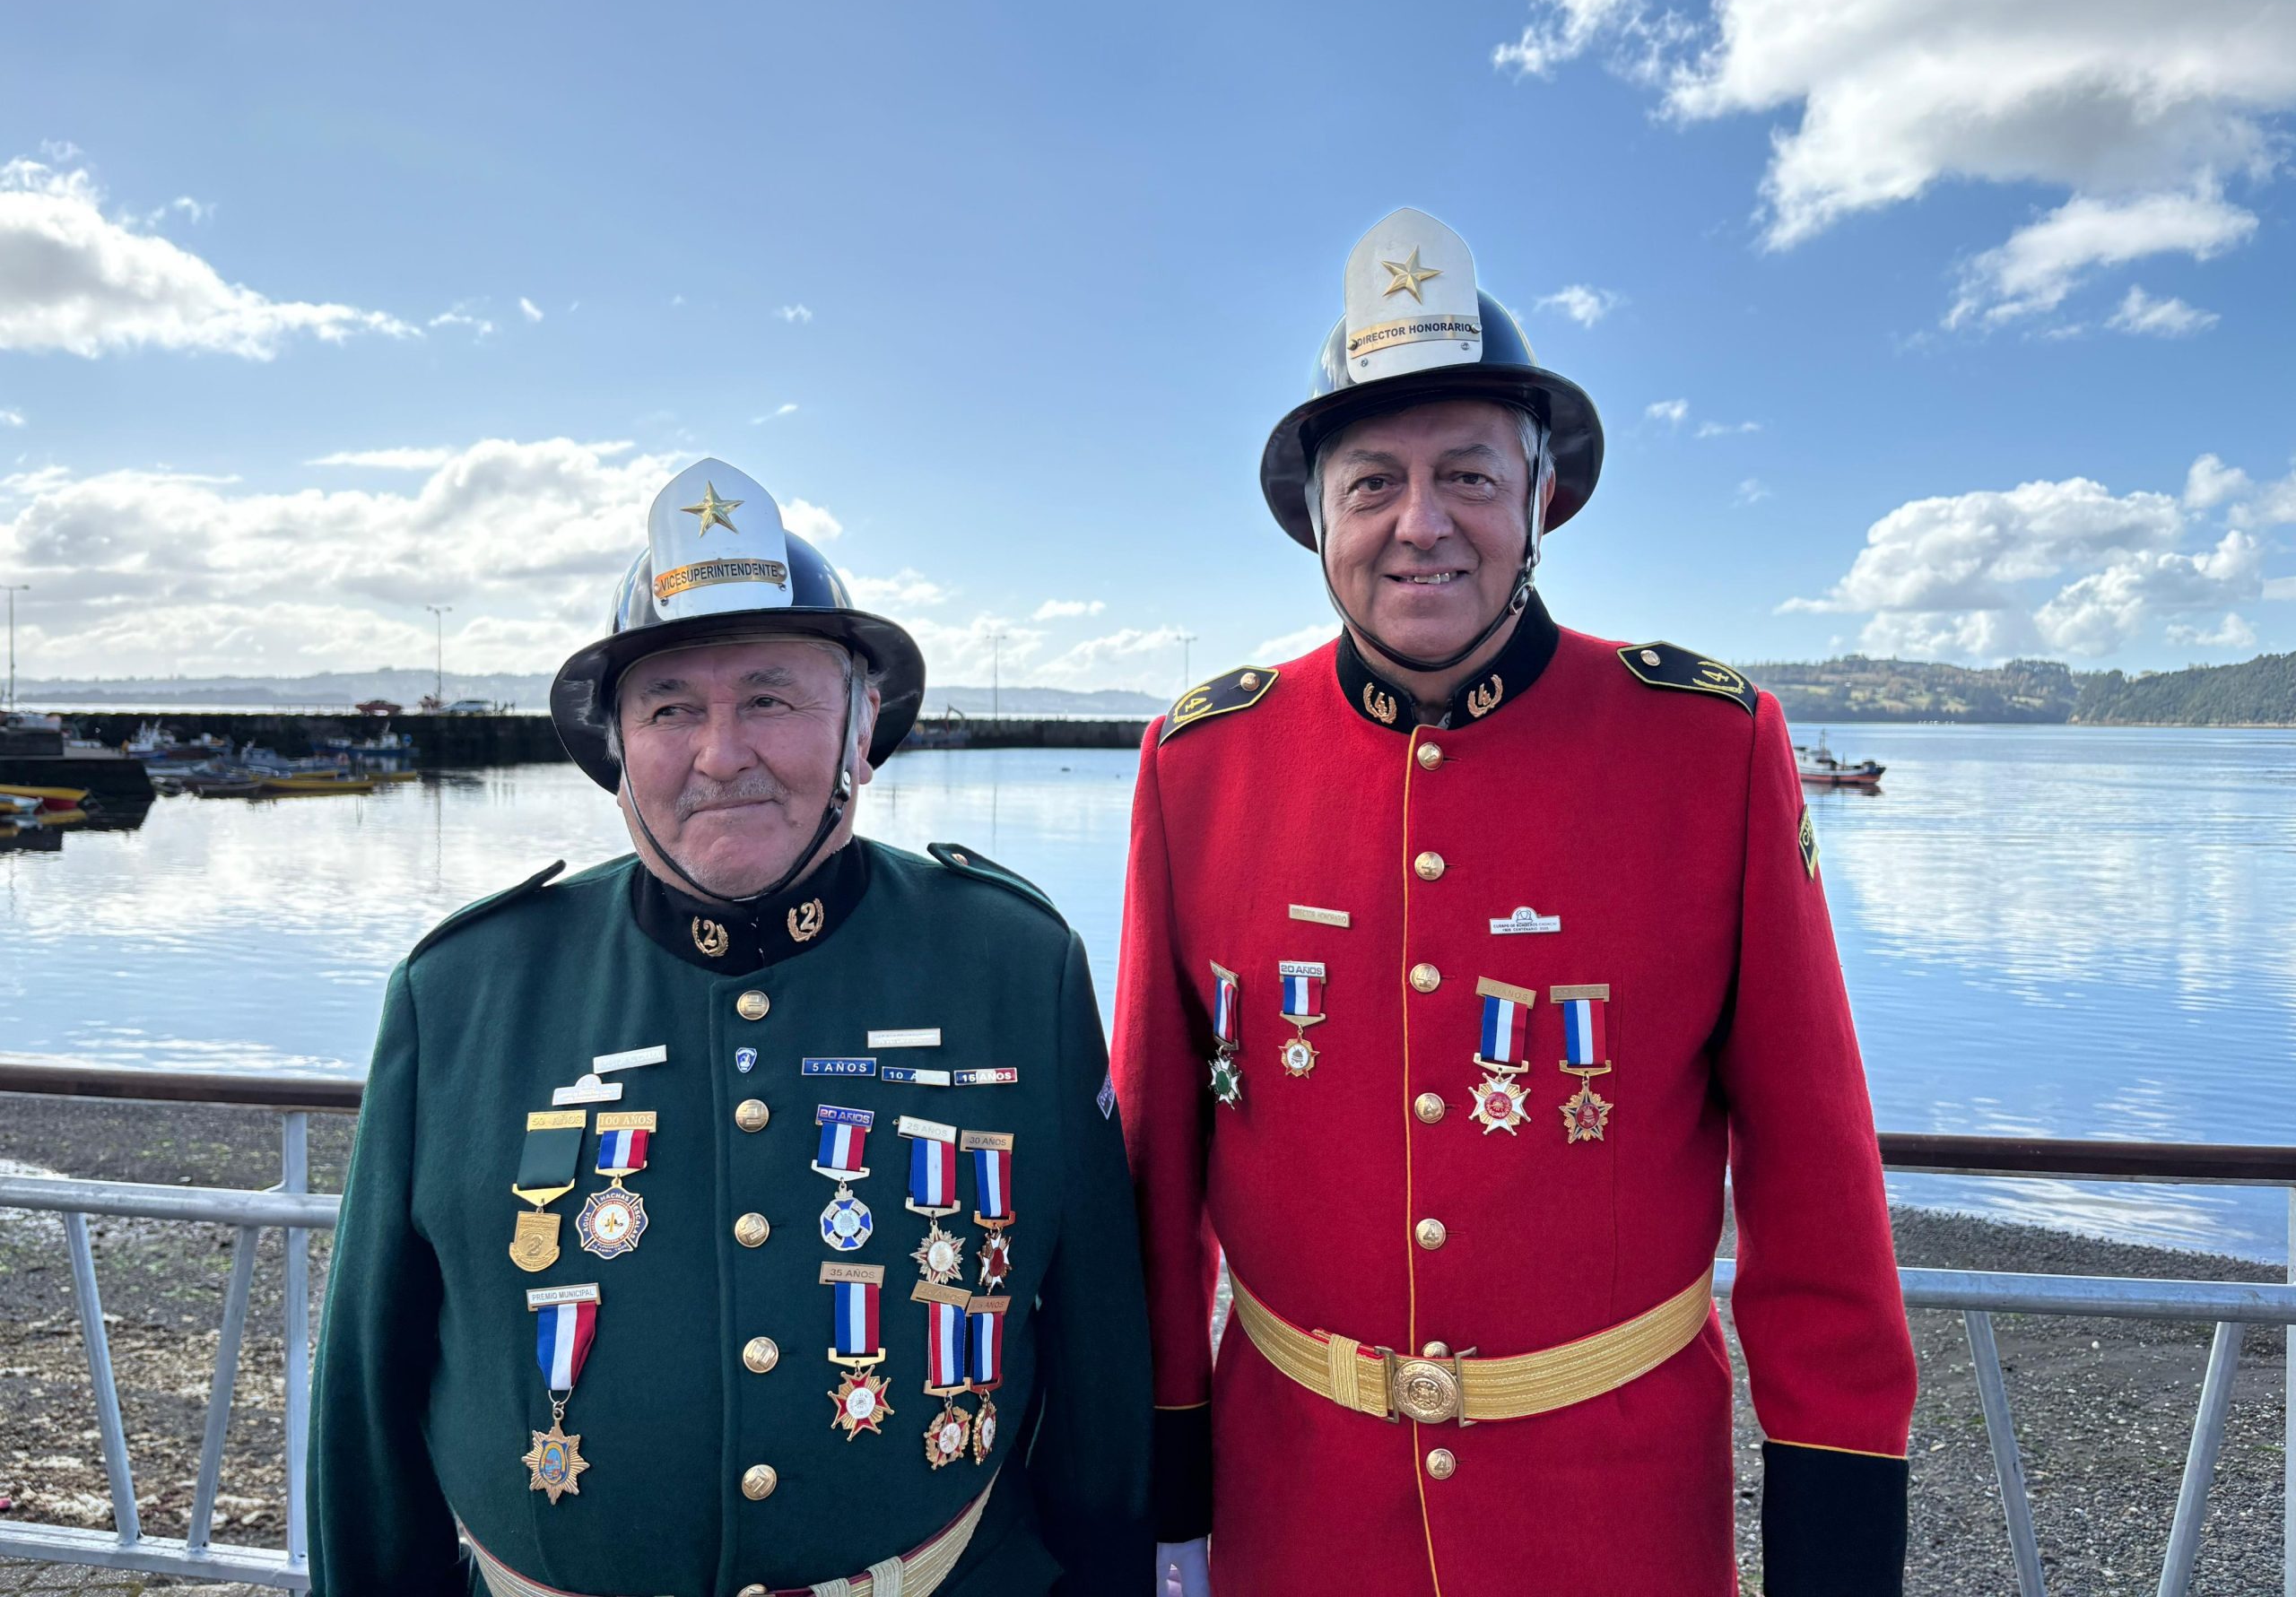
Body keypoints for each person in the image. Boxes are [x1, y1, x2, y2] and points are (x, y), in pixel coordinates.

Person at [1113, 210, 1917, 1596]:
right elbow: (1158, 1174)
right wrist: (1165, 1477)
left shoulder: (1709, 746)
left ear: (1542, 498)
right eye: (1371, 484)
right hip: (1296, 1516)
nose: (1419, 525)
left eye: (1469, 476)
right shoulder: (1202, 763)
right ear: (1317, 519)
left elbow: (1814, 1179)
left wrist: (1836, 1547)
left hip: (1612, 1523)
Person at [311, 457, 1152, 1597]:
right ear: (614, 751)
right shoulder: (461, 990)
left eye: (770, 697)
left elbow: (1098, 1354)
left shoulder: (1012, 963)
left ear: (861, 728)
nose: (721, 753)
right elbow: (369, 1395)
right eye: (670, 709)